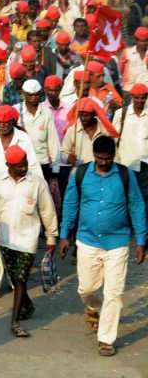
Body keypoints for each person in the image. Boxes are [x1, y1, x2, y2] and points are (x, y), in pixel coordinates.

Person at [58, 135, 148, 356]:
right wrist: (64, 235)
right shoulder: (79, 174)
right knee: (86, 288)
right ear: (94, 155)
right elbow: (70, 204)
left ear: (113, 156)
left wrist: (141, 241)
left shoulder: (125, 175)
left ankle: (106, 339)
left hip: (118, 242)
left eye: (108, 159)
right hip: (87, 240)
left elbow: (137, 206)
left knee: (114, 293)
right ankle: (92, 308)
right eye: (100, 158)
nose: (104, 162)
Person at [0, 145, 57, 338]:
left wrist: (51, 235)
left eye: (25, 164)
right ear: (8, 165)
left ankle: (15, 322)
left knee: (21, 279)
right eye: (19, 165)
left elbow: (47, 210)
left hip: (28, 239)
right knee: (15, 278)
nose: (23, 168)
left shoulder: (37, 183)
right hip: (5, 238)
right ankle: (27, 305)